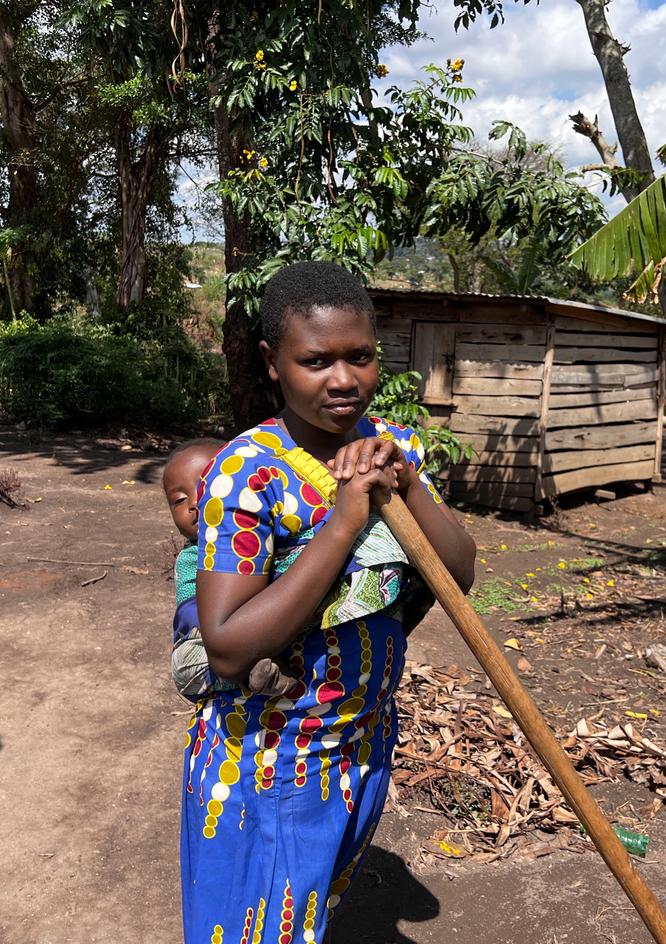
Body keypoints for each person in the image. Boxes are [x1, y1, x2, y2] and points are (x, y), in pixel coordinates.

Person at [181, 261, 476, 944]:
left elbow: (456, 576)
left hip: (363, 741)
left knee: (305, 919)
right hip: (274, 758)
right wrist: (344, 521)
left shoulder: (392, 445)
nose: (343, 379)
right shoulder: (249, 473)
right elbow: (225, 643)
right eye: (316, 360)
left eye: (360, 357)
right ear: (273, 362)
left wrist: (405, 486)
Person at [163, 440, 299, 700]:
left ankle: (256, 671)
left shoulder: (264, 536)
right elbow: (191, 612)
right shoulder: (192, 557)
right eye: (179, 500)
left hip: (269, 622)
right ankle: (251, 674)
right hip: (211, 641)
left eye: (208, 486)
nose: (195, 502)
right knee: (183, 668)